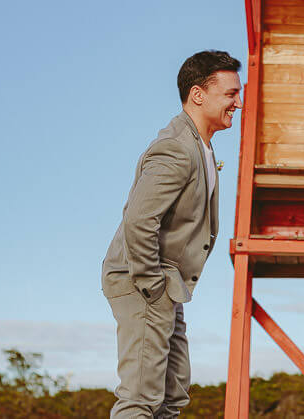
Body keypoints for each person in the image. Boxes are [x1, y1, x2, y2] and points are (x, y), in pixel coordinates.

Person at [102, 50, 242, 418]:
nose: (238, 103)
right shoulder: (177, 149)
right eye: (230, 94)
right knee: (141, 398)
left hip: (167, 285)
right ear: (198, 94)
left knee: (172, 395)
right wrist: (152, 285)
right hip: (145, 281)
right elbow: (138, 221)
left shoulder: (202, 146)